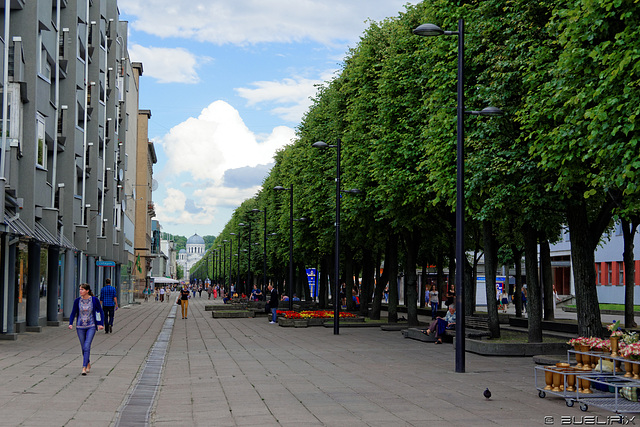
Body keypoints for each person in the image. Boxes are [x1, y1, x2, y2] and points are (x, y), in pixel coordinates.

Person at [69, 284, 105, 375]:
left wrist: (100, 323)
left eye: (82, 289)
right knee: (83, 347)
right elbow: (73, 312)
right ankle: (88, 363)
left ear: (87, 290)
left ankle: (84, 367)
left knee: (87, 346)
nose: (80, 291)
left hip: (91, 326)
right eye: (80, 289)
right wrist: (70, 323)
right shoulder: (77, 301)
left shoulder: (94, 300)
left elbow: (99, 311)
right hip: (80, 326)